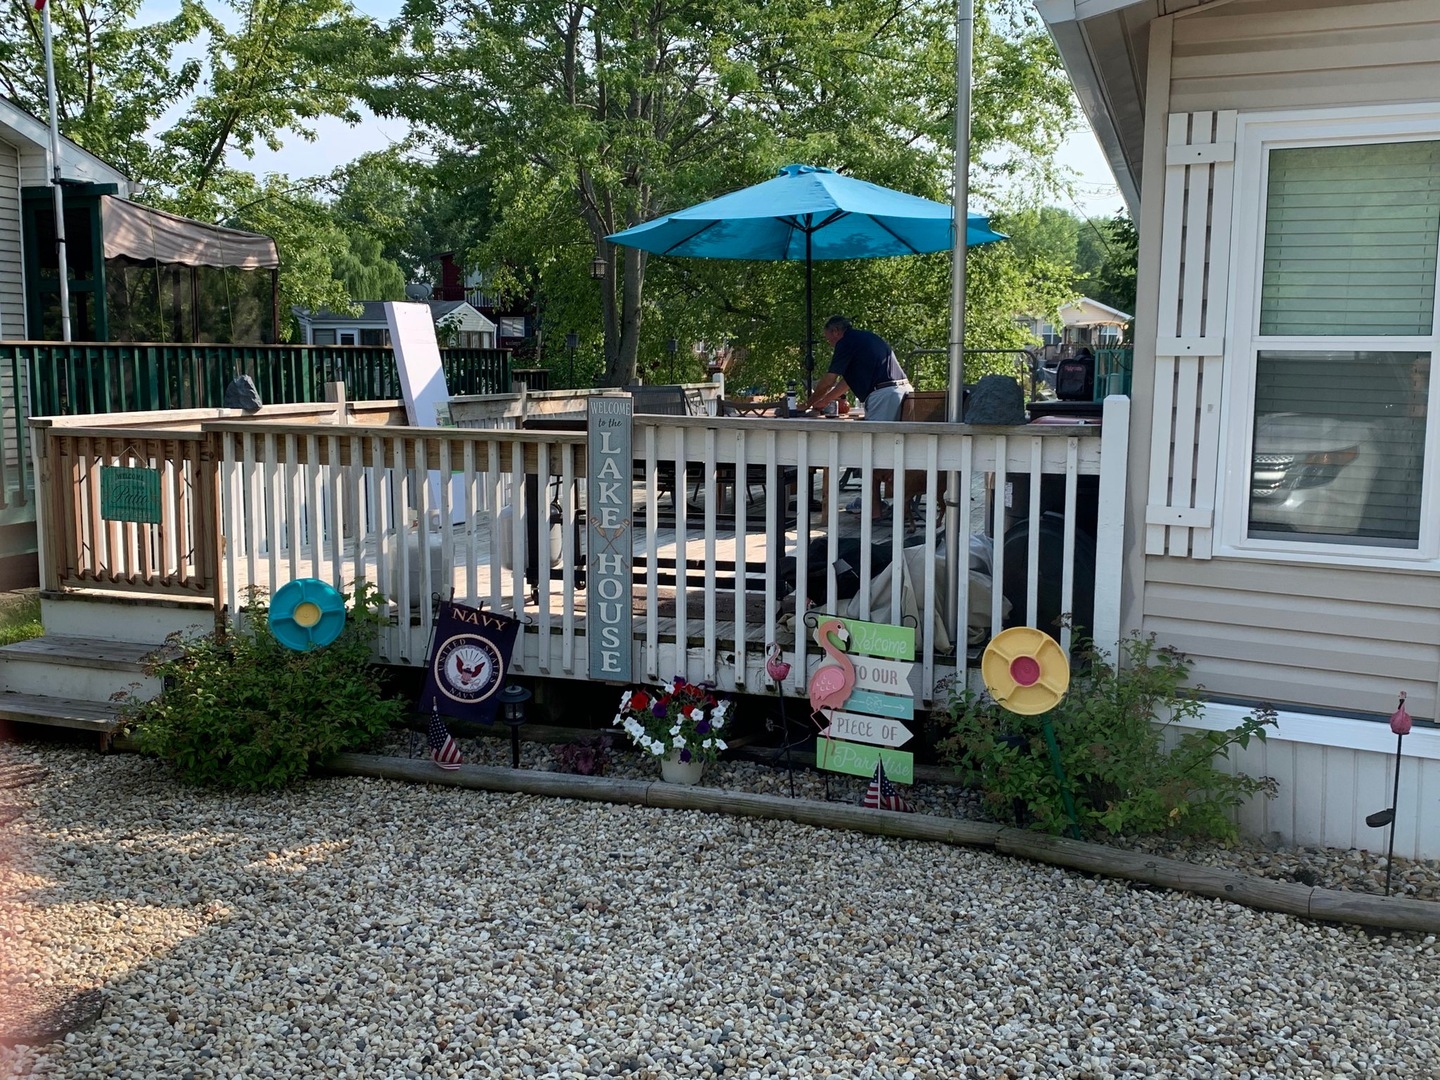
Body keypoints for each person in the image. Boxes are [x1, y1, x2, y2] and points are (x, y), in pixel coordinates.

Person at [806, 315, 915, 521]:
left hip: (884, 395)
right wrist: (822, 403)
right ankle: (887, 506)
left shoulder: (845, 342)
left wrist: (808, 404)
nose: (829, 342)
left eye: (828, 337)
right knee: (891, 452)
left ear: (836, 331)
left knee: (873, 453)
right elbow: (846, 382)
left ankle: (877, 510)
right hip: (902, 391)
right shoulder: (864, 339)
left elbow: (829, 380)